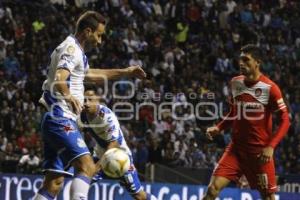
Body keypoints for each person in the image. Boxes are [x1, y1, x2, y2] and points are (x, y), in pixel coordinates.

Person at [35, 11, 146, 200]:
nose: (100, 41)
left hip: (54, 118)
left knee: (54, 183)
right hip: (59, 117)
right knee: (87, 167)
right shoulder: (71, 49)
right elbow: (60, 79)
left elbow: (91, 74)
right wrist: (69, 96)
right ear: (87, 31)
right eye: (99, 35)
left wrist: (126, 72)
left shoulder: (77, 52)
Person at [203, 44, 290, 200]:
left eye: (246, 60)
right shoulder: (236, 83)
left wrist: (271, 146)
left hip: (259, 154)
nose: (241, 63)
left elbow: (285, 120)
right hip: (236, 149)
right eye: (240, 60)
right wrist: (219, 127)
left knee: (268, 197)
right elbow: (234, 112)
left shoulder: (270, 88)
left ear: (258, 62)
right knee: (212, 190)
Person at [80, 89, 157, 200]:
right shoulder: (82, 115)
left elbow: (113, 144)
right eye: (84, 100)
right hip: (100, 155)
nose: (86, 103)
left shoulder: (107, 117)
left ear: (98, 100)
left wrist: (95, 168)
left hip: (120, 158)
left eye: (90, 100)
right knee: (82, 182)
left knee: (139, 195)